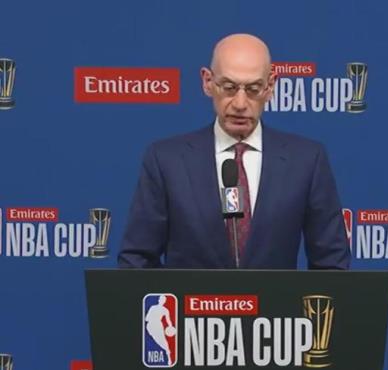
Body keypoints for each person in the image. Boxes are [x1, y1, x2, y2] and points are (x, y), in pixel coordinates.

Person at [118, 33, 350, 270]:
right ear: (207, 82)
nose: (240, 104)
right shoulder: (166, 161)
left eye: (253, 89)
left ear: (270, 86)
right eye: (229, 88)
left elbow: (331, 264)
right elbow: (137, 260)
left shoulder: (306, 161)